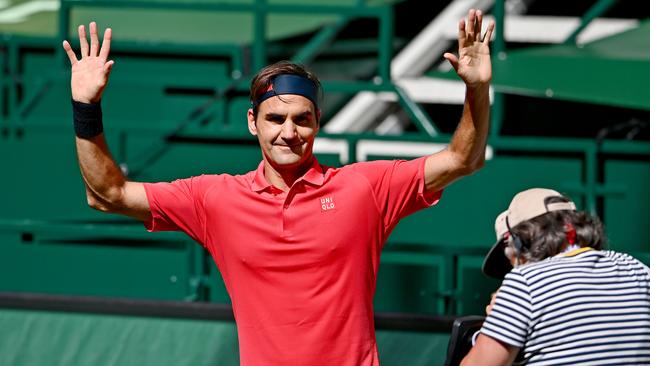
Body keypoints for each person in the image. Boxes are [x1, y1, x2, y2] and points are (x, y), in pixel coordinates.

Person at [62, 9, 495, 365]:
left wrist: (477, 89)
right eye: (275, 118)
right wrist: (86, 107)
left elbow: (463, 159)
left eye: (302, 119)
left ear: (317, 123)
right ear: (253, 122)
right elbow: (108, 194)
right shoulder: (215, 198)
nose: (289, 132)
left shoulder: (365, 188)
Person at [461, 188, 650, 365]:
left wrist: (496, 320)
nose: (511, 270)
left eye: (509, 259)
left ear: (520, 243)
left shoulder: (525, 283)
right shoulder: (637, 270)